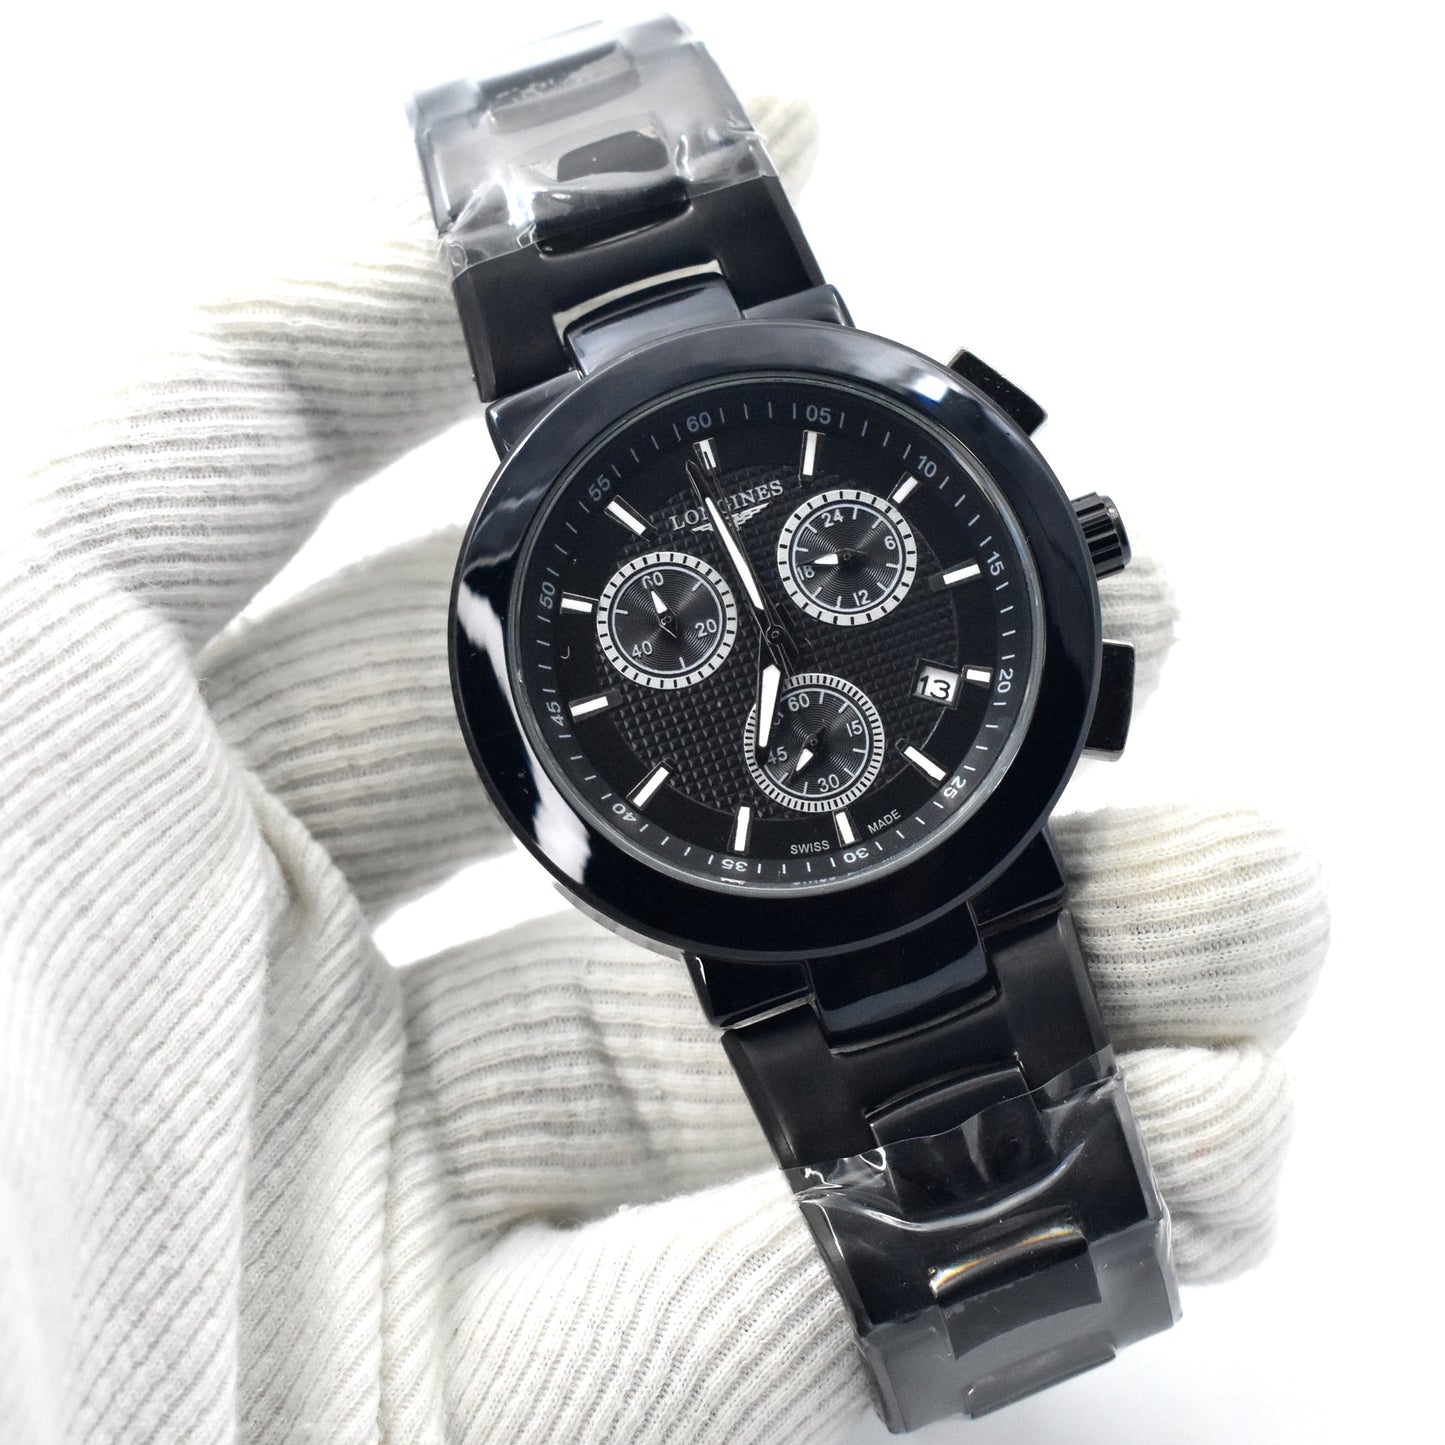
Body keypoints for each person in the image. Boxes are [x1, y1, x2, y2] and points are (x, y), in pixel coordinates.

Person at [0, 97, 1326, 1443]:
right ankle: (1017, 1287)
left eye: (850, 563)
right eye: (683, 625)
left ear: (1059, 534)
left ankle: (1041, 1277)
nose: (773, 632)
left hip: (896, 847)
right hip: (795, 903)